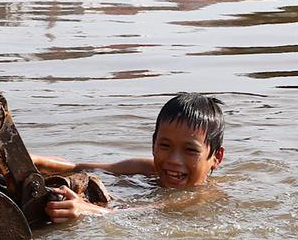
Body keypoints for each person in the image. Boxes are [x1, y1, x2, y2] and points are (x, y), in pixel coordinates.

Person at [36, 92, 226, 223]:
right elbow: (78, 166)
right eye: (165, 146)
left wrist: (85, 209)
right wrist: (34, 160)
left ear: (216, 158)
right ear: (153, 145)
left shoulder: (200, 195)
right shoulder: (145, 168)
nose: (174, 160)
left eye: (190, 150)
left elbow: (146, 210)